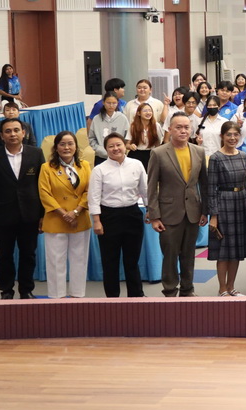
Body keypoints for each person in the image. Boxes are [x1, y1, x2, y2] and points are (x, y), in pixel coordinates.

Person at [0, 117, 46, 299]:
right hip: (2, 216)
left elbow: (43, 187)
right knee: (4, 256)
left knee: (29, 255)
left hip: (30, 215)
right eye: (8, 131)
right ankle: (6, 291)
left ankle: (26, 290)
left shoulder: (36, 154)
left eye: (16, 130)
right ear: (1, 136)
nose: (13, 134)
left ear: (24, 133)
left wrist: (43, 215)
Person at [145, 113, 209, 298]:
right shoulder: (158, 153)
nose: (183, 131)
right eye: (178, 127)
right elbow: (152, 186)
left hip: (193, 212)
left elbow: (204, 184)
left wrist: (205, 210)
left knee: (189, 255)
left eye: (186, 127)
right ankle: (170, 291)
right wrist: (154, 216)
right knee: (170, 255)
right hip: (169, 213)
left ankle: (188, 290)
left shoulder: (199, 151)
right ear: (170, 129)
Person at [89, 132, 148, 298]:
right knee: (110, 261)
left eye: (118, 145)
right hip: (109, 217)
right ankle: (112, 298)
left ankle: (136, 296)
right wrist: (96, 221)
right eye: (111, 146)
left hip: (132, 214)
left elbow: (145, 190)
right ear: (106, 149)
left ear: (125, 145)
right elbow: (93, 197)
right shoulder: (99, 170)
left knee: (132, 260)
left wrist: (150, 210)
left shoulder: (136, 164)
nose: (115, 149)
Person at [37, 131, 92, 299]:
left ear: (76, 146)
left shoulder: (85, 166)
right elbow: (44, 193)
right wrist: (64, 214)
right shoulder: (46, 168)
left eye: (70, 144)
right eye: (62, 144)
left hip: (79, 218)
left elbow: (89, 191)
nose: (66, 147)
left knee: (79, 259)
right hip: (56, 219)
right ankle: (56, 296)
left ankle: (77, 295)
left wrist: (76, 212)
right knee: (55, 261)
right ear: (56, 147)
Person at [206, 121, 246, 297]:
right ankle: (222, 288)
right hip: (223, 203)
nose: (232, 138)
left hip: (241, 203)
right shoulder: (216, 157)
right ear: (222, 136)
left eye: (235, 134)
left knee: (236, 249)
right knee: (224, 250)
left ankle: (231, 286)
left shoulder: (243, 155)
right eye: (229, 135)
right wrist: (214, 215)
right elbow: (211, 189)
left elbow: (245, 185)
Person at [88, 92, 130, 166]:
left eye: (114, 103)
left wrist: (120, 148)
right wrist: (99, 149)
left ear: (117, 103)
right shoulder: (96, 118)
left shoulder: (122, 118)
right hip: (101, 157)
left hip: (119, 156)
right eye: (108, 103)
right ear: (103, 103)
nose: (111, 105)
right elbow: (92, 138)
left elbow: (127, 137)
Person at [127, 100, 165, 169]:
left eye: (150, 110)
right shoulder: (133, 126)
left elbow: (158, 144)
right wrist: (131, 146)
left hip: (151, 153)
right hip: (136, 153)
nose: (148, 113)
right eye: (145, 111)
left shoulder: (156, 125)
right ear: (139, 113)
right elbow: (127, 145)